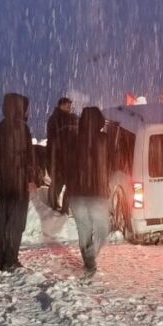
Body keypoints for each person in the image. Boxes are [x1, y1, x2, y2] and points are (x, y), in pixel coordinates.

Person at [0, 93, 34, 271]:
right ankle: (10, 259)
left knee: (4, 218)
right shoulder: (21, 128)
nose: (27, 111)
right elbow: (27, 157)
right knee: (16, 221)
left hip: (4, 181)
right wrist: (30, 179)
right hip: (18, 181)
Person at [68, 106, 110, 275]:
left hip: (78, 193)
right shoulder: (104, 139)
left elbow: (67, 166)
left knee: (84, 229)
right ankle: (91, 257)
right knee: (102, 229)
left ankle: (89, 259)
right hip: (97, 192)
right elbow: (112, 163)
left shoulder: (73, 140)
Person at [46, 97, 77, 212]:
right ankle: (52, 204)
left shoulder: (72, 118)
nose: (70, 107)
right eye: (67, 105)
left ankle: (65, 208)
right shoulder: (54, 120)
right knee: (59, 180)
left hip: (69, 156)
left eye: (70, 105)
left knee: (69, 182)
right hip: (58, 156)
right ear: (61, 106)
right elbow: (54, 140)